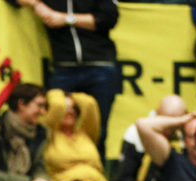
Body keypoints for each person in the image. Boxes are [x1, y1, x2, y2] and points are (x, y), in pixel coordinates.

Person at [7, 0, 120, 153]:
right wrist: (36, 4)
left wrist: (66, 18)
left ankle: (94, 172)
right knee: (52, 120)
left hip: (100, 64)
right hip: (63, 67)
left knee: (98, 127)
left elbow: (108, 18)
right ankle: (52, 169)